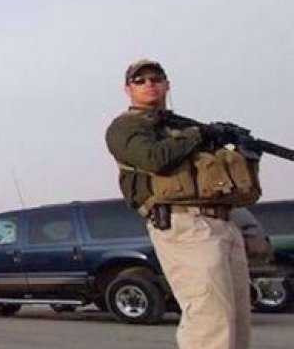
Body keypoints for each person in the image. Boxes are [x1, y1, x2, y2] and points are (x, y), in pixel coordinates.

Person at [106, 59, 255, 349]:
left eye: (156, 79)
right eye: (140, 80)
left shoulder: (180, 126)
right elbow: (153, 158)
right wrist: (201, 134)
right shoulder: (126, 127)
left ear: (167, 85)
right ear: (128, 89)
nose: (149, 84)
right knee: (209, 319)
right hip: (184, 225)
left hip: (222, 221)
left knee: (237, 319)